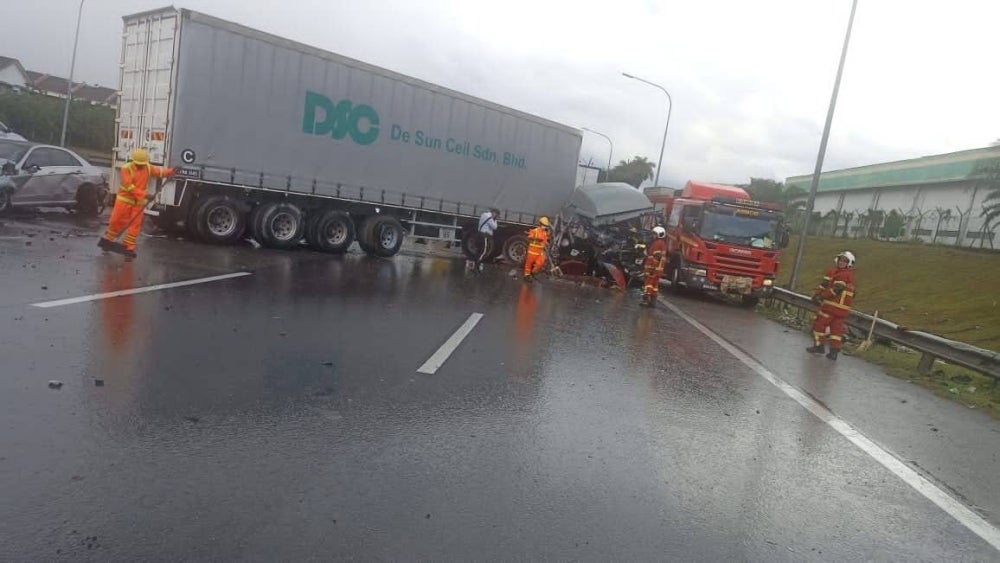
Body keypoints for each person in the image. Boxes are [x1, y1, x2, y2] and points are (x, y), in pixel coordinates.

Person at [98, 148, 175, 259]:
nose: (141, 166)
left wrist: (171, 171)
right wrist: (145, 195)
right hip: (124, 200)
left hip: (138, 203)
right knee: (116, 221)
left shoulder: (148, 167)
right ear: (133, 161)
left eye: (142, 164)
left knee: (135, 226)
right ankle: (108, 240)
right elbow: (129, 187)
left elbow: (159, 172)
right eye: (139, 164)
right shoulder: (126, 168)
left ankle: (129, 247)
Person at [806, 251, 856, 360]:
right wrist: (818, 294)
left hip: (831, 308)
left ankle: (819, 346)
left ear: (849, 263)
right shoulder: (849, 275)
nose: (841, 262)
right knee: (836, 331)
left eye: (845, 261)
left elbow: (836, 289)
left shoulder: (842, 274)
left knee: (819, 324)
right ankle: (834, 352)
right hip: (842, 311)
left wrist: (821, 296)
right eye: (841, 260)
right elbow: (825, 285)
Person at [640, 226, 668, 307]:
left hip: (652, 269)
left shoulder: (657, 243)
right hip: (658, 270)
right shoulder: (663, 244)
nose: (653, 236)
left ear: (659, 234)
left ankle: (646, 300)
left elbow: (656, 257)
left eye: (654, 234)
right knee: (654, 286)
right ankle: (653, 302)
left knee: (648, 284)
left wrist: (652, 268)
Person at [522, 216, 551, 282]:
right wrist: (537, 239)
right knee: (529, 264)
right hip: (532, 250)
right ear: (540, 224)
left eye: (546, 226)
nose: (545, 227)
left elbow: (545, 241)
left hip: (540, 251)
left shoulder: (544, 233)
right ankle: (527, 276)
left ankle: (533, 272)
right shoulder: (535, 231)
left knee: (541, 262)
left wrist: (547, 244)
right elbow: (530, 237)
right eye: (544, 225)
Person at [474, 207, 500, 272]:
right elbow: (495, 227)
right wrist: (495, 220)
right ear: (494, 213)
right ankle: (478, 265)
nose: (496, 216)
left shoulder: (483, 214)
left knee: (479, 250)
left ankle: (476, 264)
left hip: (479, 234)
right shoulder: (490, 218)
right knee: (484, 251)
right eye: (496, 215)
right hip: (485, 236)